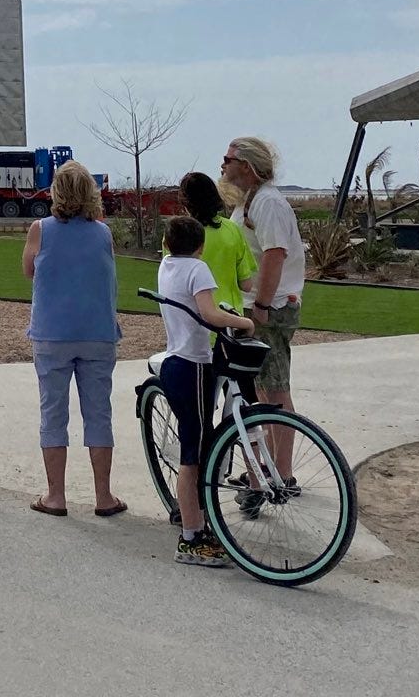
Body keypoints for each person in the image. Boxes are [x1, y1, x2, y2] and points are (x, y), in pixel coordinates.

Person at [23, 160, 124, 518]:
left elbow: (28, 269)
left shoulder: (41, 229)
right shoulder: (103, 232)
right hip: (97, 332)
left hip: (53, 333)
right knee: (99, 414)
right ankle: (103, 495)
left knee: (53, 413)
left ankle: (56, 495)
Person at [156, 215, 257, 567]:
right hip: (194, 365)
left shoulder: (167, 265)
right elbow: (210, 314)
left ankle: (195, 520)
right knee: (194, 454)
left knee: (195, 443)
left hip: (174, 362)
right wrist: (243, 321)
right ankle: (192, 537)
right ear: (200, 247)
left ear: (167, 244)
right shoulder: (197, 269)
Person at [225, 136, 304, 484]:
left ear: (247, 165)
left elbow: (275, 254)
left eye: (228, 159)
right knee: (261, 390)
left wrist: (260, 305)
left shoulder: (268, 203)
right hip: (258, 304)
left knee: (275, 390)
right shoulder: (249, 202)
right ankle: (267, 468)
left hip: (271, 307)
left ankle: (282, 473)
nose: (223, 165)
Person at [175, 172, 256, 315]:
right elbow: (246, 285)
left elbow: (173, 280)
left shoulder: (175, 233)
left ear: (185, 202)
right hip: (229, 318)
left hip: (191, 318)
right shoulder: (232, 230)